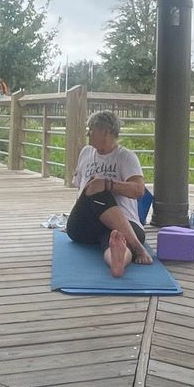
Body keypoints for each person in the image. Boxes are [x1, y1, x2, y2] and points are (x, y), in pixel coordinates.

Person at [65, 110, 152, 278]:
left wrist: (108, 184)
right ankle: (138, 248)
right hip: (85, 226)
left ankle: (117, 262)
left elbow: (138, 190)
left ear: (106, 131)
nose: (88, 133)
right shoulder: (86, 153)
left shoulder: (126, 157)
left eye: (91, 129)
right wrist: (101, 185)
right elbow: (80, 191)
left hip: (124, 224)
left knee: (115, 240)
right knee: (95, 187)